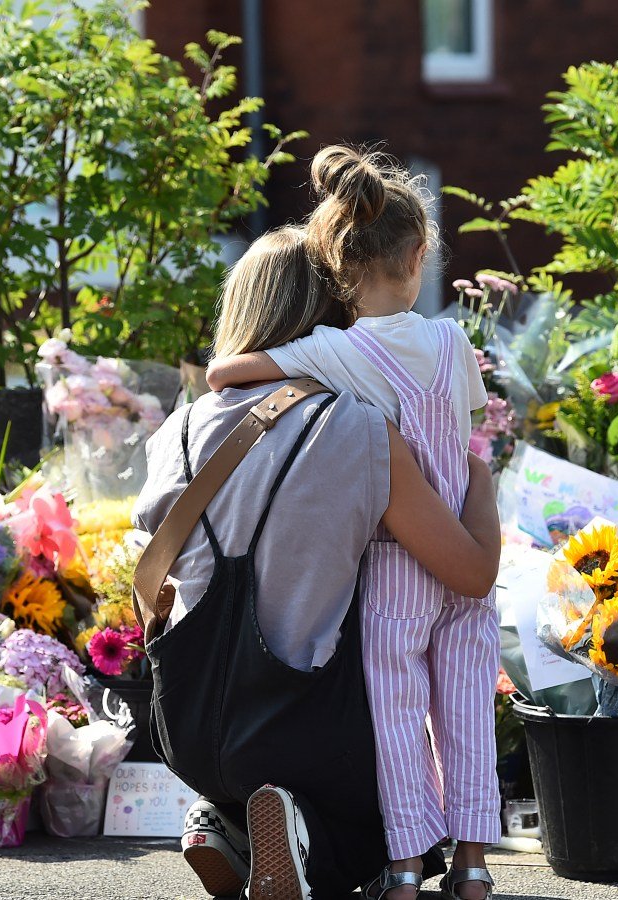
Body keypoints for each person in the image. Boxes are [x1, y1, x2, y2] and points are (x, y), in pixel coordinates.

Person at [135, 226, 501, 900]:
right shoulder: (359, 430)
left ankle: (228, 821)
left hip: (184, 719)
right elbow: (471, 575)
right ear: (333, 310)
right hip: (303, 725)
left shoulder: (177, 430)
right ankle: (308, 843)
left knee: (248, 748)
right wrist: (480, 482)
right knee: (393, 770)